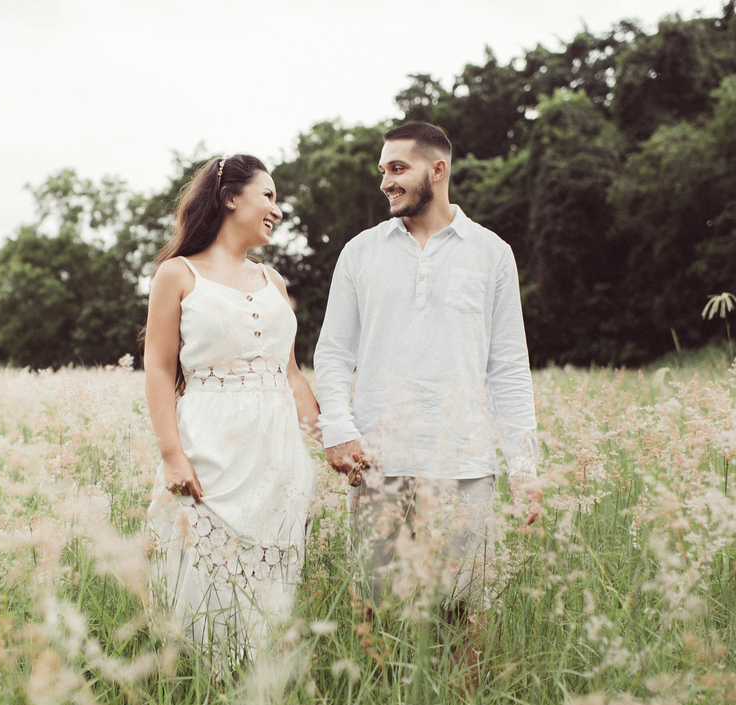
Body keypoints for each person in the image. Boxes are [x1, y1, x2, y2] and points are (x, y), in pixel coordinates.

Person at [313, 122, 541, 627]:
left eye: (397, 169)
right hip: (378, 459)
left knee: (464, 612)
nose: (385, 182)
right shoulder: (360, 252)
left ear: (438, 170)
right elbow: (332, 353)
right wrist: (339, 432)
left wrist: (523, 465)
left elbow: (508, 367)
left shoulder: (492, 254)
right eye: (382, 171)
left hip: (465, 460)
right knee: (374, 610)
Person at [143, 154, 319, 663]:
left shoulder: (275, 283)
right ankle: (202, 688)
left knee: (270, 590)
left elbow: (288, 372)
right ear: (229, 197)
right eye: (268, 196)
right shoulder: (177, 274)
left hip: (278, 456)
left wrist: (334, 441)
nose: (277, 210)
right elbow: (157, 369)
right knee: (203, 576)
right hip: (209, 447)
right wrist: (172, 454)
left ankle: (257, 692)